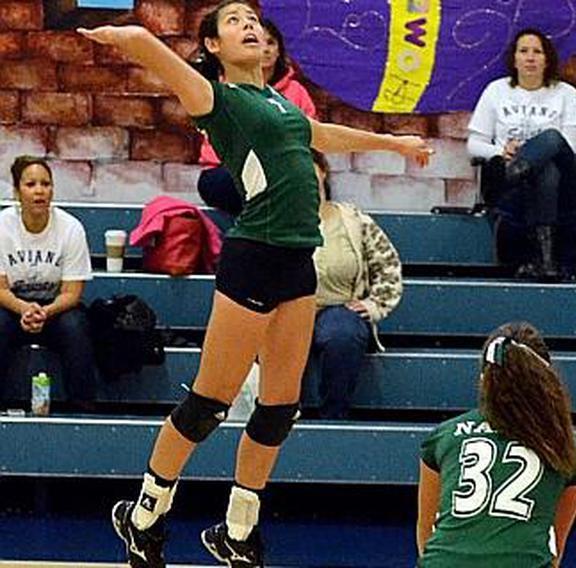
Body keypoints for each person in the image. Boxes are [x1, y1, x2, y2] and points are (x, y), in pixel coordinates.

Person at [77, 2, 432, 566]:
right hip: (253, 258)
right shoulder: (218, 99)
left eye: (253, 19)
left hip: (297, 261)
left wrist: (396, 145)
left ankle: (238, 531)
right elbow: (160, 58)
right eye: (235, 21)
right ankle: (143, 516)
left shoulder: (278, 102)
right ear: (214, 45)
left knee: (278, 409)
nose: (250, 25)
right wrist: (123, 34)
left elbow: (321, 134)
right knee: (208, 404)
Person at [416, 322, 576, 567]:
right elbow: (555, 549)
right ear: (548, 381)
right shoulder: (567, 449)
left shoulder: (445, 436)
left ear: (483, 379)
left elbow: (426, 537)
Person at [467, 28, 576, 281]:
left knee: (552, 140)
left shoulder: (566, 93)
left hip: (565, 186)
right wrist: (500, 151)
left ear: (547, 59)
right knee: (546, 171)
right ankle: (545, 260)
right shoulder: (496, 91)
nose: (530, 57)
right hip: (520, 186)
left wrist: (522, 157)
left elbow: (570, 148)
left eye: (537, 52)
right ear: (514, 59)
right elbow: (474, 145)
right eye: (524, 51)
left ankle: (515, 172)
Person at [306, 151, 402, 419]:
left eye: (309, 170)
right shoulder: (273, 220)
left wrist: (375, 305)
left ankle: (334, 420)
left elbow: (388, 266)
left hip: (337, 308)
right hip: (287, 311)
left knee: (342, 334)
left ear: (323, 173)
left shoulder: (355, 220)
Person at [0, 156, 96, 411]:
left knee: (76, 326)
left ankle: (83, 409)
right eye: (31, 184)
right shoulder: (2, 226)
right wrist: (23, 309)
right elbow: (0, 289)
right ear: (17, 191)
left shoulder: (71, 228)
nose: (39, 191)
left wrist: (44, 312)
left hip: (55, 308)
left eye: (46, 184)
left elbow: (72, 293)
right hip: (11, 306)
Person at [197, 18, 318, 216]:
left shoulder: (297, 92)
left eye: (271, 43)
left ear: (279, 50)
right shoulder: (222, 91)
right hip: (226, 172)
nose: (266, 49)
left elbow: (311, 140)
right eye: (257, 43)